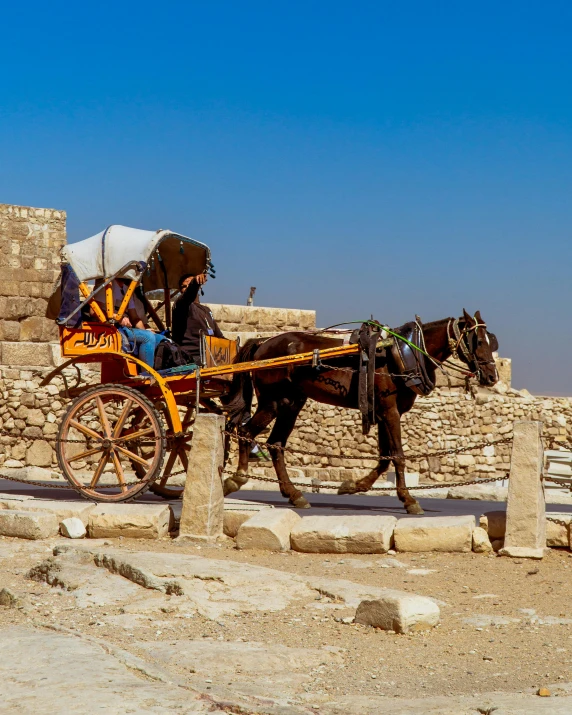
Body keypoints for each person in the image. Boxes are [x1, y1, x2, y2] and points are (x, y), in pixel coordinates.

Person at [96, 279, 165, 373]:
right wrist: (117, 317)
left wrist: (146, 330)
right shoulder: (107, 286)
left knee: (159, 338)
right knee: (148, 338)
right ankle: (147, 375)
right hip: (109, 328)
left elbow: (135, 318)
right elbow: (93, 311)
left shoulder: (126, 289)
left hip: (123, 329)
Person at [172, 273, 224, 363]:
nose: (187, 287)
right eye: (184, 286)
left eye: (190, 283)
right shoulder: (180, 305)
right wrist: (194, 283)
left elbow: (219, 336)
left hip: (211, 355)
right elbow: (188, 295)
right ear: (181, 290)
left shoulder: (207, 310)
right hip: (191, 357)